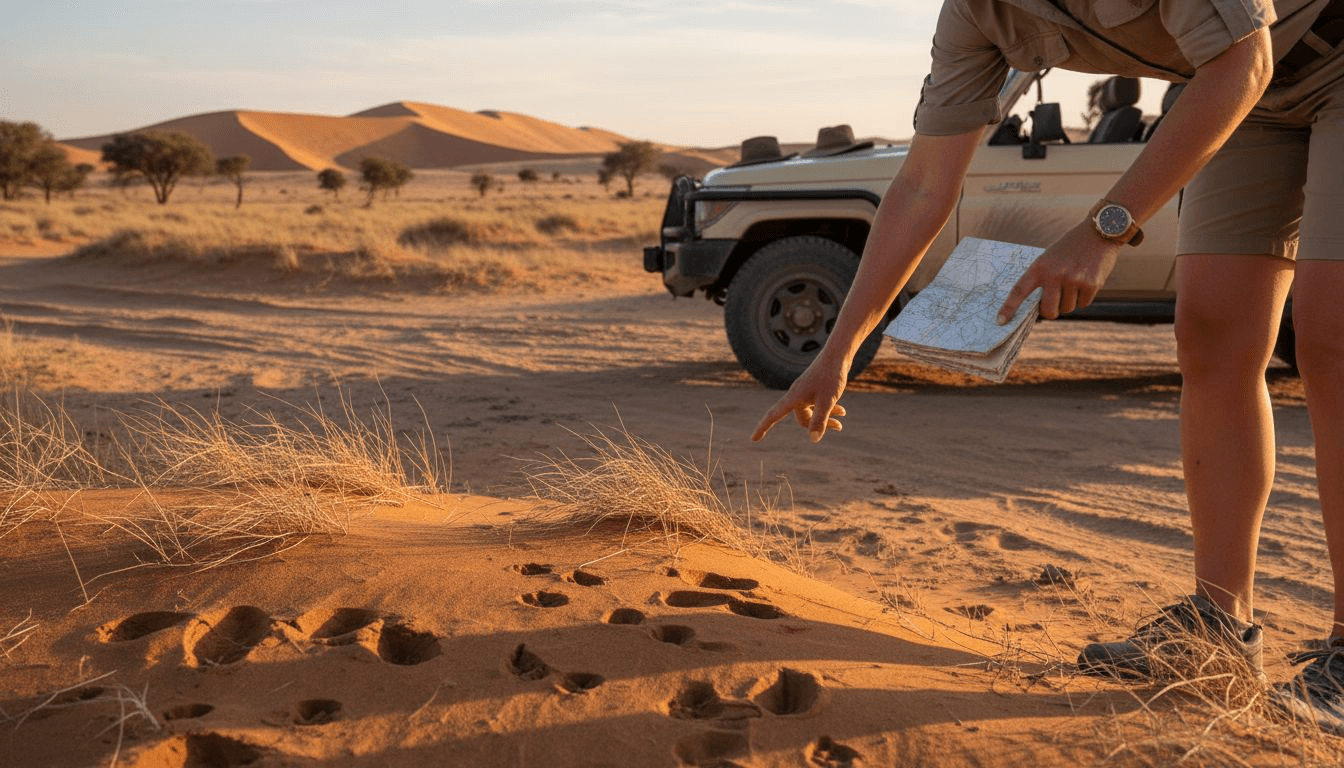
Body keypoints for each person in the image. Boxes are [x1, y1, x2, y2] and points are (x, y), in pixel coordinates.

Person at [751, 0, 1344, 731]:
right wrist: (837, 351)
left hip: (1317, 52)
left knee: (1331, 339)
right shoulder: (973, 14)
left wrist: (1105, 228)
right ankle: (1218, 622)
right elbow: (925, 185)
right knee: (1212, 333)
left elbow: (1242, 58)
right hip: (1243, 90)